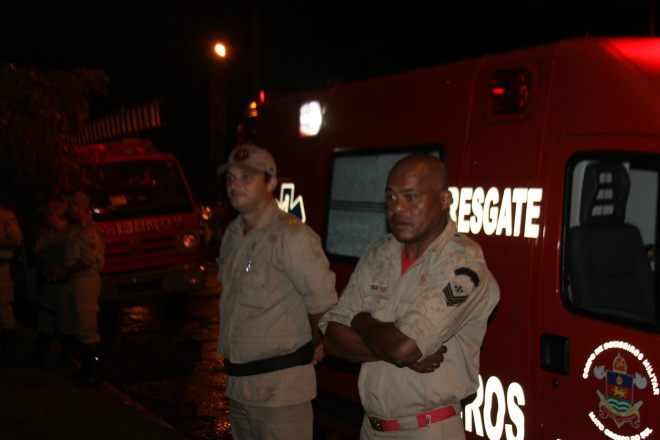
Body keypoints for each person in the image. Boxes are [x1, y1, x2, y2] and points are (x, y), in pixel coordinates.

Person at [320, 153, 500, 439]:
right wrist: (397, 351)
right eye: (391, 197)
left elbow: (404, 347)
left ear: (444, 200)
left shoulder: (464, 269)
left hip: (427, 430)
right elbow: (332, 339)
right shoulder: (379, 253)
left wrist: (361, 320)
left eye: (411, 196)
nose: (398, 208)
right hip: (370, 428)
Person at [215, 145, 338, 440]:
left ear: (270, 183)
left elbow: (324, 308)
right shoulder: (233, 235)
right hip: (239, 388)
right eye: (231, 178)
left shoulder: (292, 237)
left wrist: (314, 345)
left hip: (280, 395)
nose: (235, 184)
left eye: (247, 177)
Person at [51, 190, 104, 384]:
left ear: (81, 208)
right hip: (76, 280)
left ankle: (92, 372)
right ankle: (85, 370)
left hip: (86, 281)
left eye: (72, 205)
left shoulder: (90, 231)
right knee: (80, 327)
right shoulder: (76, 229)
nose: (69, 209)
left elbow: (88, 259)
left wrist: (66, 271)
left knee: (88, 328)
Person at [31, 198, 73, 368]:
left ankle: (65, 359)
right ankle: (39, 357)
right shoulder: (47, 232)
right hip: (49, 281)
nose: (46, 218)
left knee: (65, 322)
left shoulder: (69, 233)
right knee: (44, 319)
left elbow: (66, 256)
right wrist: (49, 252)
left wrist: (47, 252)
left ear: (54, 215)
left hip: (63, 283)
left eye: (48, 214)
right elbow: (36, 251)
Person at [0, 202, 22, 365]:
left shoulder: (5, 216)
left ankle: (9, 353)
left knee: (4, 307)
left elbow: (16, 240)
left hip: (1, 267)